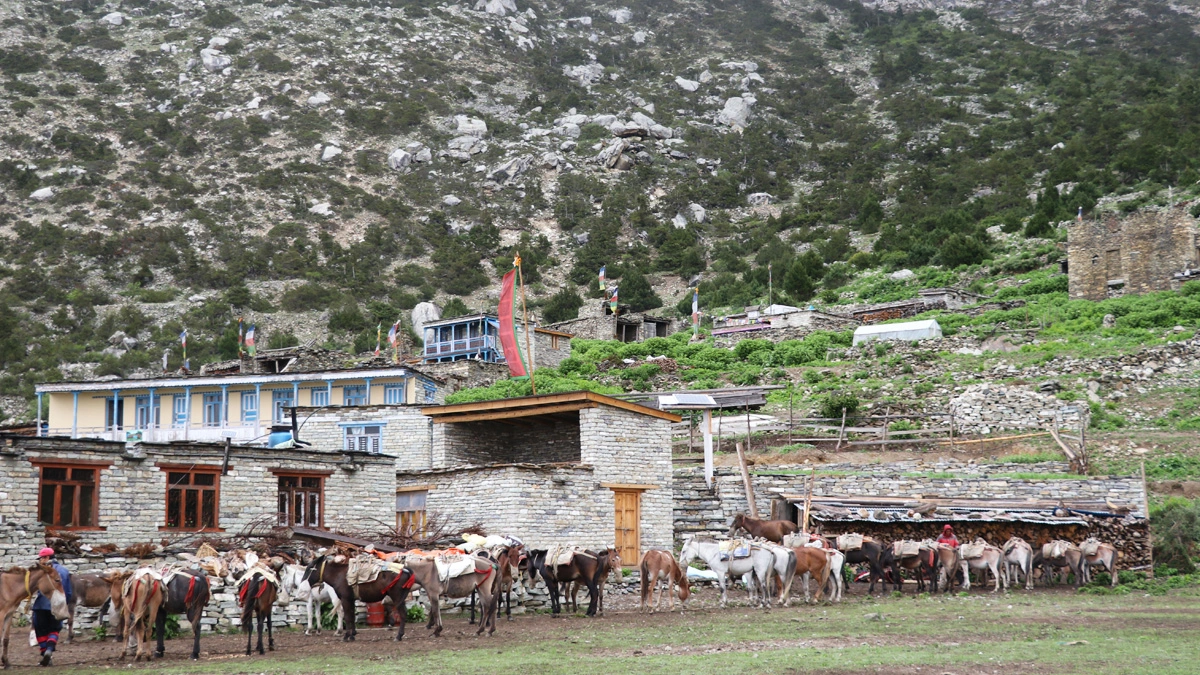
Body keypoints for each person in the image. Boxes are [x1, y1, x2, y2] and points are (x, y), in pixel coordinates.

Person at [31, 547, 71, 667]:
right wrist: (65, 603)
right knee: (54, 629)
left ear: (47, 558)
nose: (40, 562)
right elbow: (68, 591)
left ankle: (45, 654)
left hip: (41, 605)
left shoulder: (44, 571)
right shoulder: (64, 571)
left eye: (41, 559)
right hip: (58, 605)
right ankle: (49, 650)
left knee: (40, 630)